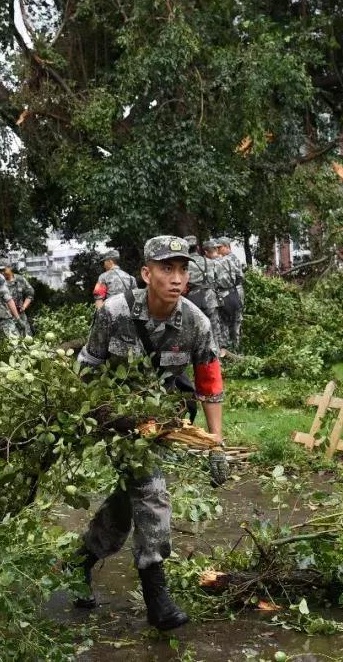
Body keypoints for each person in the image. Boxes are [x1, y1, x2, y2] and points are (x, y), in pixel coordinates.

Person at [72, 235, 229, 631]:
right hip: (118, 422)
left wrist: (215, 445)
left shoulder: (196, 322)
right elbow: (88, 364)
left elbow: (209, 382)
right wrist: (83, 419)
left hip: (165, 425)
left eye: (182, 269)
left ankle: (81, 560)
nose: (176, 278)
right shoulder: (114, 312)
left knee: (132, 501)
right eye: (166, 268)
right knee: (152, 492)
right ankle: (157, 597)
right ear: (146, 273)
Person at [183, 236, 227, 357]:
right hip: (211, 298)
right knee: (214, 329)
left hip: (193, 299)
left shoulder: (185, 265)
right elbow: (221, 280)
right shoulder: (210, 262)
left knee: (194, 329)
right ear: (197, 247)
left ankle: (195, 358)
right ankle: (216, 358)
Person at [213, 237, 244, 351]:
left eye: (220, 247)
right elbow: (240, 276)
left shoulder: (225, 260)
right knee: (235, 321)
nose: (218, 250)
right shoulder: (233, 258)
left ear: (226, 246)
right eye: (216, 248)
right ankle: (236, 347)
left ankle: (229, 348)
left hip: (230, 293)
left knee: (227, 322)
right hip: (235, 292)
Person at [1, 259, 35, 336]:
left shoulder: (20, 279)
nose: (2, 272)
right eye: (0, 270)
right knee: (13, 342)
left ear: (9, 268)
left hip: (21, 315)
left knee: (28, 339)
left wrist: (24, 306)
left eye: (4, 269)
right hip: (7, 318)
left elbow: (30, 293)